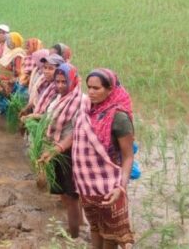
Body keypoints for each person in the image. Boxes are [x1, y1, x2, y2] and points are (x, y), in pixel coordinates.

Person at [72, 69, 135, 248]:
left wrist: (120, 188)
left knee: (111, 235)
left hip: (110, 188)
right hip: (88, 187)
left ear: (110, 89)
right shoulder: (87, 110)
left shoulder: (119, 118)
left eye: (96, 88)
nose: (91, 92)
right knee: (95, 227)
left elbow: (128, 156)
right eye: (89, 87)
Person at [36, 63, 88, 239]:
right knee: (65, 195)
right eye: (57, 82)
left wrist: (56, 149)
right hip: (56, 151)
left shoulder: (81, 101)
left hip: (70, 154)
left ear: (73, 81)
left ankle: (73, 237)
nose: (59, 85)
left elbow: (76, 133)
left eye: (63, 82)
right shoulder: (59, 98)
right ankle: (79, 225)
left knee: (72, 196)